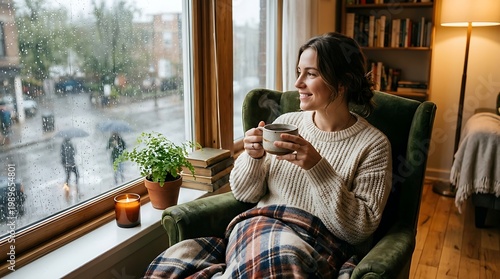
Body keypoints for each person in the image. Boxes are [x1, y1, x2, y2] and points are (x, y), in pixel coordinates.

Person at [144, 32, 392, 278]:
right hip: (257, 228)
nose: (298, 84)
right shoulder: (285, 123)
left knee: (280, 258)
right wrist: (253, 157)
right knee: (173, 262)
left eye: (311, 74)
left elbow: (359, 230)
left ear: (343, 82)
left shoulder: (373, 145)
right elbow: (245, 193)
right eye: (299, 71)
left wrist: (318, 168)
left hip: (316, 245)